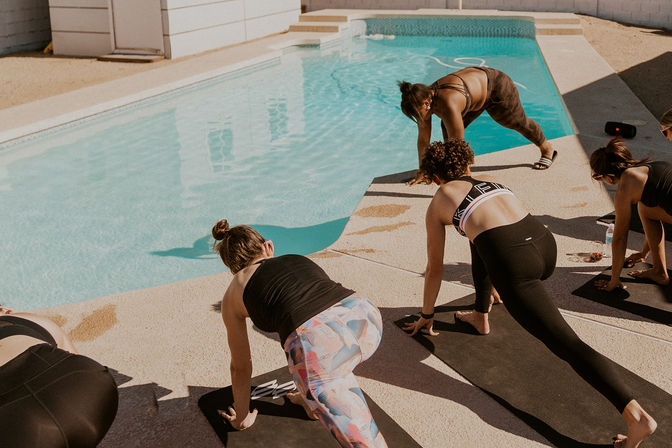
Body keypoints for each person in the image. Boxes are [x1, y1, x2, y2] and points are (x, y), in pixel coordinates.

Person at [404, 138, 656, 448]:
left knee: (567, 343)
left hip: (515, 264)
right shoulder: (491, 180)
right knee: (476, 235)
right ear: (468, 165)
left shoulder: (441, 198)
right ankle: (480, 316)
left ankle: (636, 416)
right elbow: (487, 235)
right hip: (544, 247)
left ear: (434, 178)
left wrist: (427, 315)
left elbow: (435, 269)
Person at [212, 219, 387, 448]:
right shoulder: (296, 258)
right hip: (365, 318)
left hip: (321, 343)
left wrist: (242, 418)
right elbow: (321, 306)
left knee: (364, 441)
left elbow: (241, 367)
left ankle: (315, 395)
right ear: (268, 247)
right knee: (313, 369)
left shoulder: (235, 290)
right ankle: (311, 400)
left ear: (232, 268)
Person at [398, 66, 557, 185]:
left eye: (417, 115)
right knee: (446, 130)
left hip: (496, 86)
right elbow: (423, 140)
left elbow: (458, 145)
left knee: (517, 122)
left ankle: (547, 149)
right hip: (473, 95)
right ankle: (456, 174)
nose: (418, 119)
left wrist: (463, 182)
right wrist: (423, 171)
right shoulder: (422, 100)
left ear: (426, 104)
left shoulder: (449, 103)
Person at [0, 306, 118, 447]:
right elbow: (73, 356)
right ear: (5, 310)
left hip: (25, 428)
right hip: (90, 389)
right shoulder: (28, 319)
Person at [590, 138, 672, 288]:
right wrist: (643, 254)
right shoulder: (649, 168)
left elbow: (620, 238)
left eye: (598, 177)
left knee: (644, 208)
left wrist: (614, 280)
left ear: (609, 176)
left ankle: (659, 271)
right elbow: (651, 215)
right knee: (644, 208)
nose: (600, 181)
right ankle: (659, 271)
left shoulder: (625, 189)